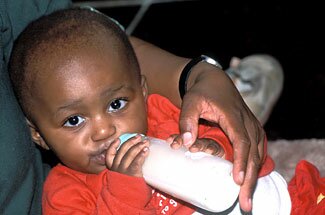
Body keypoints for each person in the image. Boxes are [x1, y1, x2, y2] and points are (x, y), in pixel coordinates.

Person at [8, 7, 290, 215]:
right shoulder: (65, 196)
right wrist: (124, 190)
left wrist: (215, 148)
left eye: (116, 104)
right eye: (74, 120)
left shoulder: (167, 118)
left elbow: (253, 152)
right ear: (39, 136)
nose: (104, 130)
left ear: (143, 93)